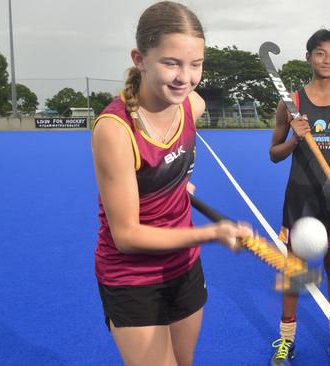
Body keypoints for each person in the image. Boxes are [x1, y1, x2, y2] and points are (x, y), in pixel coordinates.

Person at [91, 2, 251, 366]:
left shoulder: (190, 106)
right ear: (140, 58)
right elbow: (127, 236)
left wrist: (180, 182)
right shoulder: (115, 131)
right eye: (171, 63)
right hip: (132, 276)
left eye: (195, 64)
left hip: (183, 265)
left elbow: (175, 159)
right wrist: (209, 234)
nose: (185, 77)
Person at [268, 29, 330, 366]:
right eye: (320, 53)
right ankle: (286, 340)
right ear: (309, 56)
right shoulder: (290, 103)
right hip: (300, 201)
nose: (327, 60)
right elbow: (274, 154)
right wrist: (295, 139)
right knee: (293, 271)